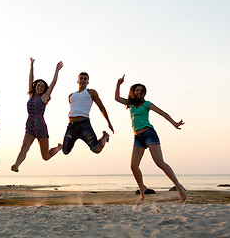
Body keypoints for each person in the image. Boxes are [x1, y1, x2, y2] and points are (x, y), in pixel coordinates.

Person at [115, 74, 186, 202]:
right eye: (137, 90)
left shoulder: (147, 104)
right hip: (137, 137)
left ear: (144, 93)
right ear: (133, 92)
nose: (139, 92)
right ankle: (142, 187)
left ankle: (179, 186)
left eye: (141, 91)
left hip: (149, 134)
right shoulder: (130, 104)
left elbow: (163, 113)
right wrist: (118, 84)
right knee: (133, 166)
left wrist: (174, 123)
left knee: (160, 162)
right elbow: (116, 98)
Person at [11, 58, 63, 172]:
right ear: (35, 87)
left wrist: (57, 70)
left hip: (40, 126)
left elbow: (53, 83)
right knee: (24, 146)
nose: (39, 88)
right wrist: (31, 66)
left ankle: (59, 148)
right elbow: (30, 79)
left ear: (44, 89)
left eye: (42, 87)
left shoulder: (44, 97)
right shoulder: (31, 95)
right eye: (38, 86)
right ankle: (16, 165)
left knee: (45, 157)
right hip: (30, 124)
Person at [62, 72, 114, 155]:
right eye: (81, 78)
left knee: (96, 149)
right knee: (65, 151)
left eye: (85, 79)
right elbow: (74, 109)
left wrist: (109, 122)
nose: (83, 80)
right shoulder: (71, 96)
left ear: (88, 82)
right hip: (72, 125)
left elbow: (101, 107)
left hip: (84, 124)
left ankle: (105, 136)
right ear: (77, 81)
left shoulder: (91, 92)